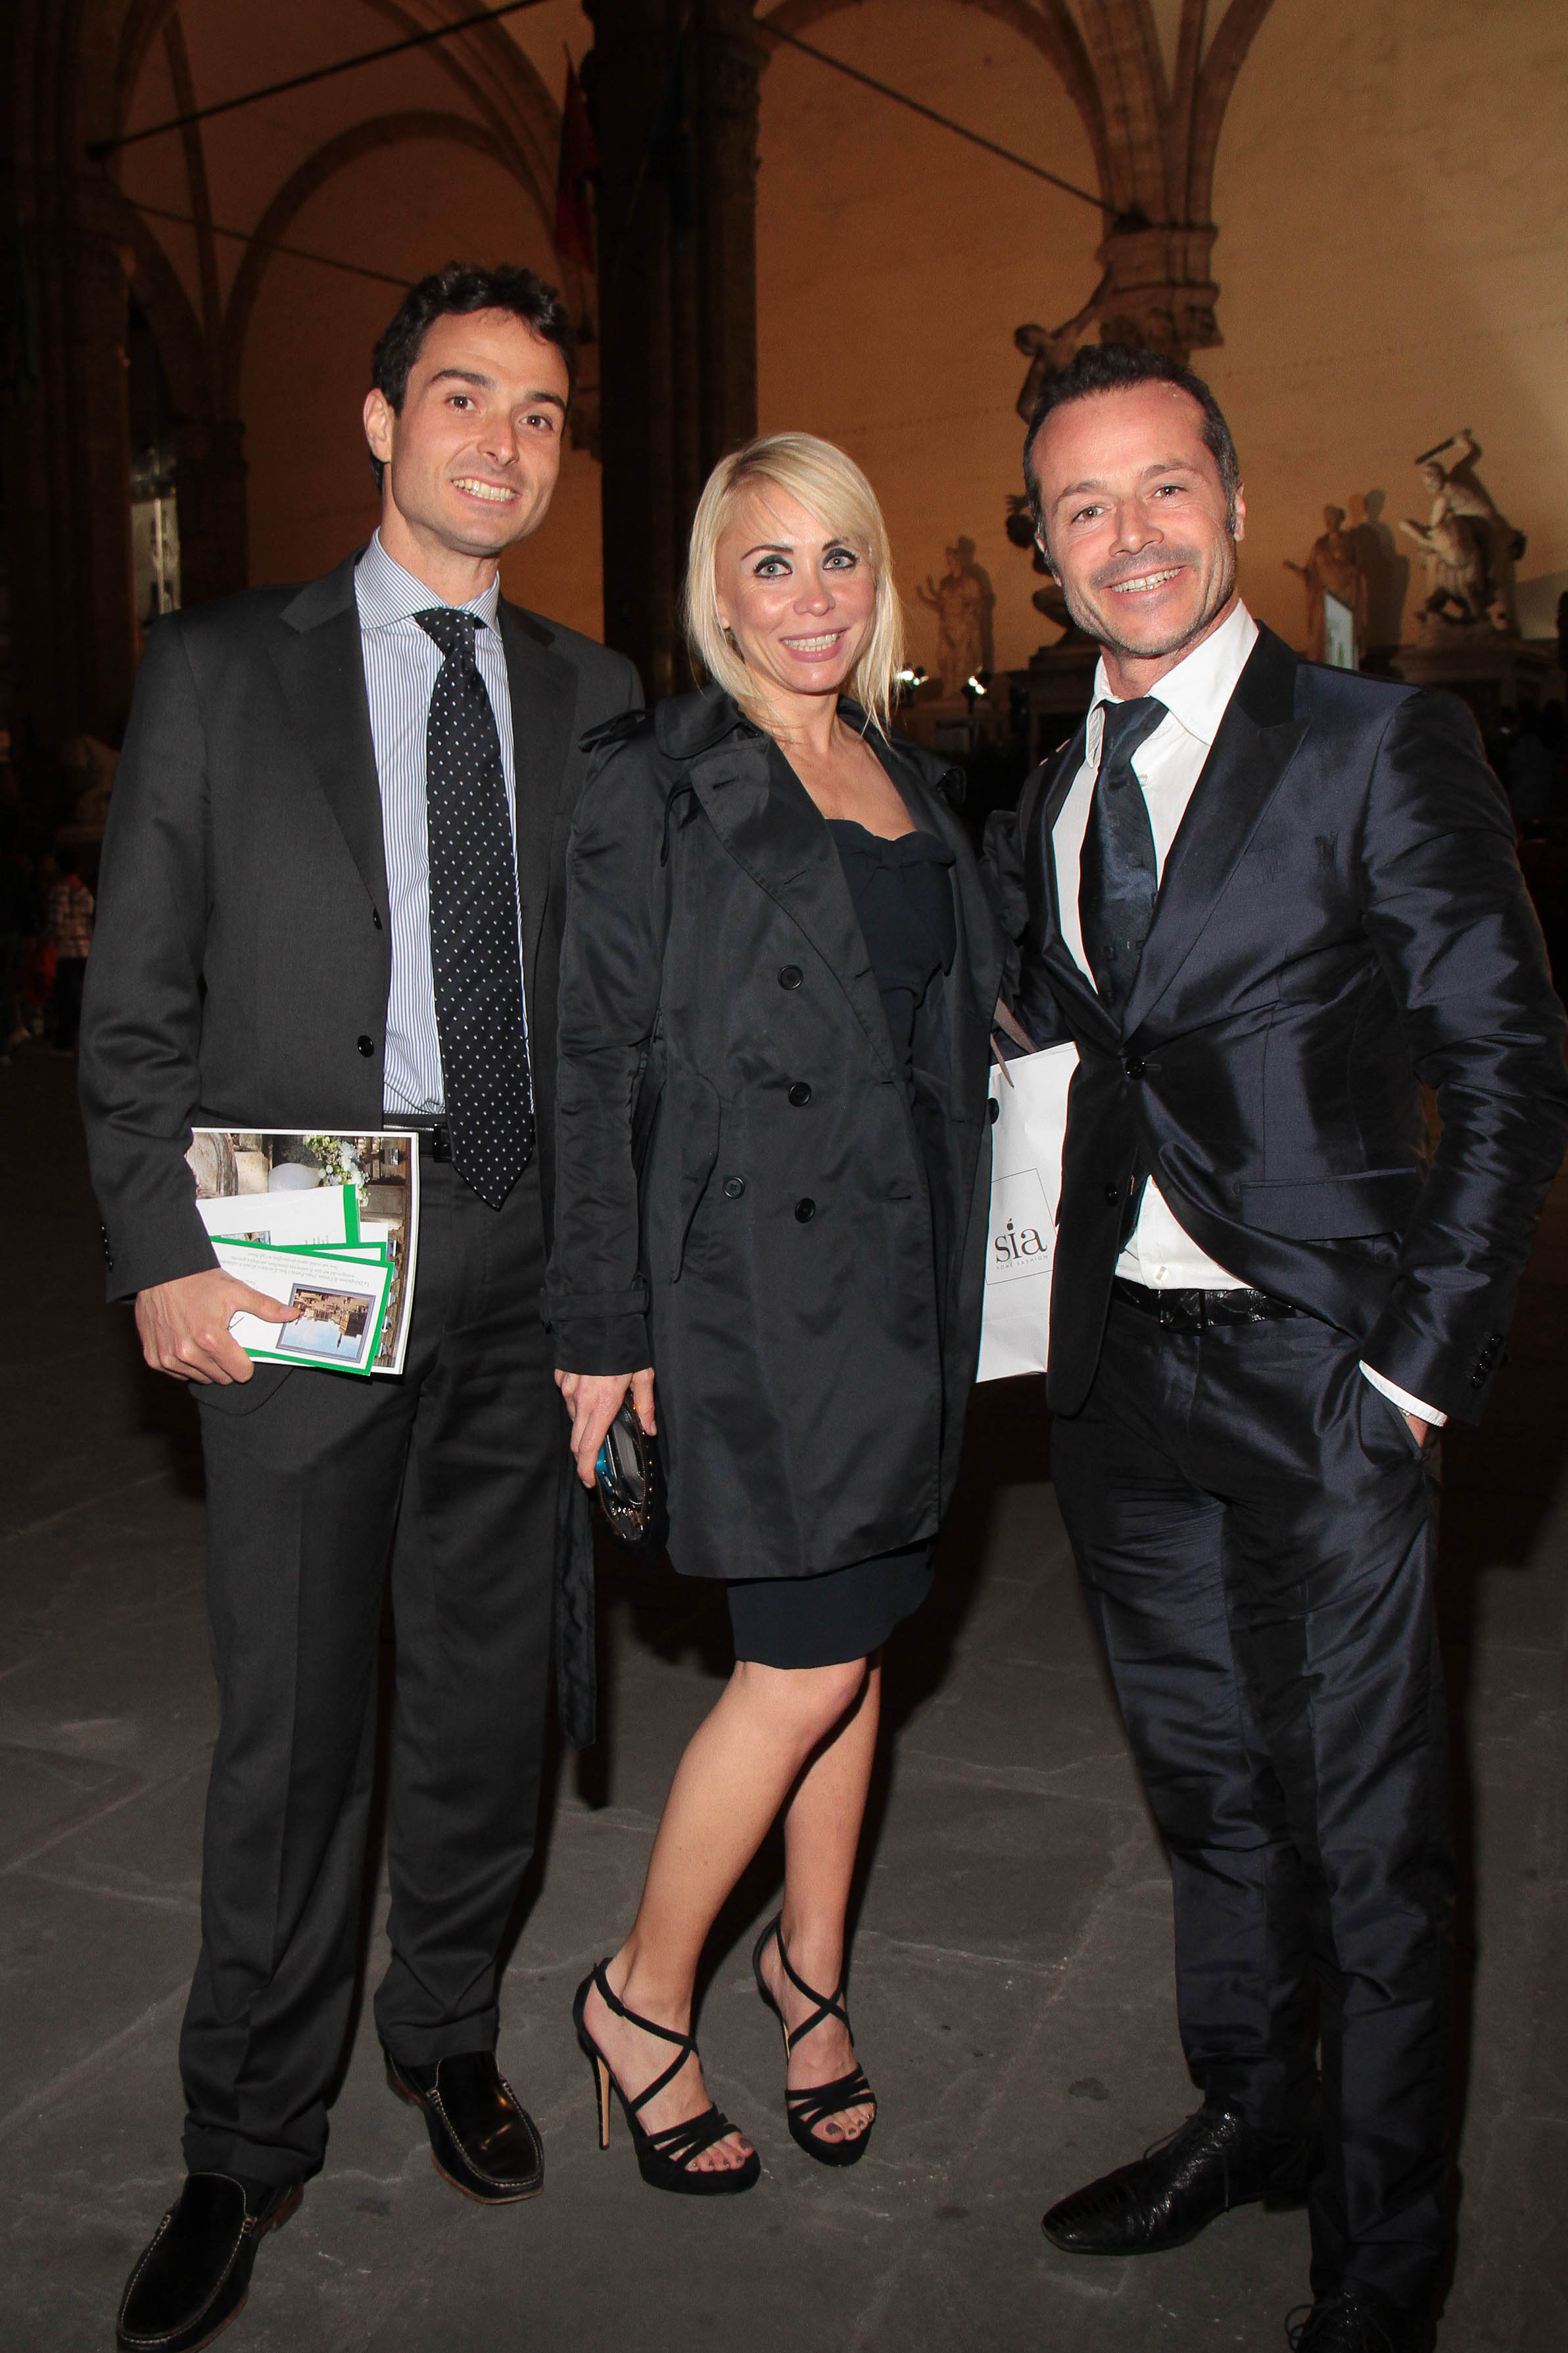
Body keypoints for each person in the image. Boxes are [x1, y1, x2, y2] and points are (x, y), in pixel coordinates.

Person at [79, 262, 641, 2353]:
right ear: (380, 421)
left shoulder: (594, 696)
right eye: (467, 398)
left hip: (515, 1245)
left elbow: (607, 1025)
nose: (506, 441)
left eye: (544, 412)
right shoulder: (230, 668)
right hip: (301, 1240)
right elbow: (132, 1004)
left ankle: (446, 2030)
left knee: (487, 1704)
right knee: (299, 1718)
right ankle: (243, 2138)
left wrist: (619, 1287)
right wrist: (156, 1245)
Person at [987, 343, 1568, 2352]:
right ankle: (1254, 2109)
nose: (1128, 534)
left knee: (1377, 1831)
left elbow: (1508, 1059)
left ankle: (1386, 2268)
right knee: (1212, 1791)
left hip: (1328, 1367)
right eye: (1082, 506)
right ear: (1046, 549)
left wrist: (1417, 1361)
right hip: (1123, 1383)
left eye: (1162, 489)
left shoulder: (1373, 743)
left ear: (1230, 502)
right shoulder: (1057, 783)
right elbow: (1074, 1050)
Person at [546, 433, 1003, 2193]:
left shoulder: (906, 769)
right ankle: (642, 1997)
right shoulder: (655, 777)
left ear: (874, 575)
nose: (810, 598)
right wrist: (600, 1327)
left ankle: (810, 1976)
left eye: (835, 561)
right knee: (798, 1662)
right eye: (769, 566)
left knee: (857, 1641)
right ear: (715, 592)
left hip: (903, 1285)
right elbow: (591, 1062)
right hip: (748, 1288)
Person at [45, 849, 93, 1052]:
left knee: (67, 996)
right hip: (85, 947)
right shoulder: (83, 890)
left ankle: (64, 1041)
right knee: (81, 994)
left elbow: (57, 920)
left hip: (67, 949)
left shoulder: (61, 889)